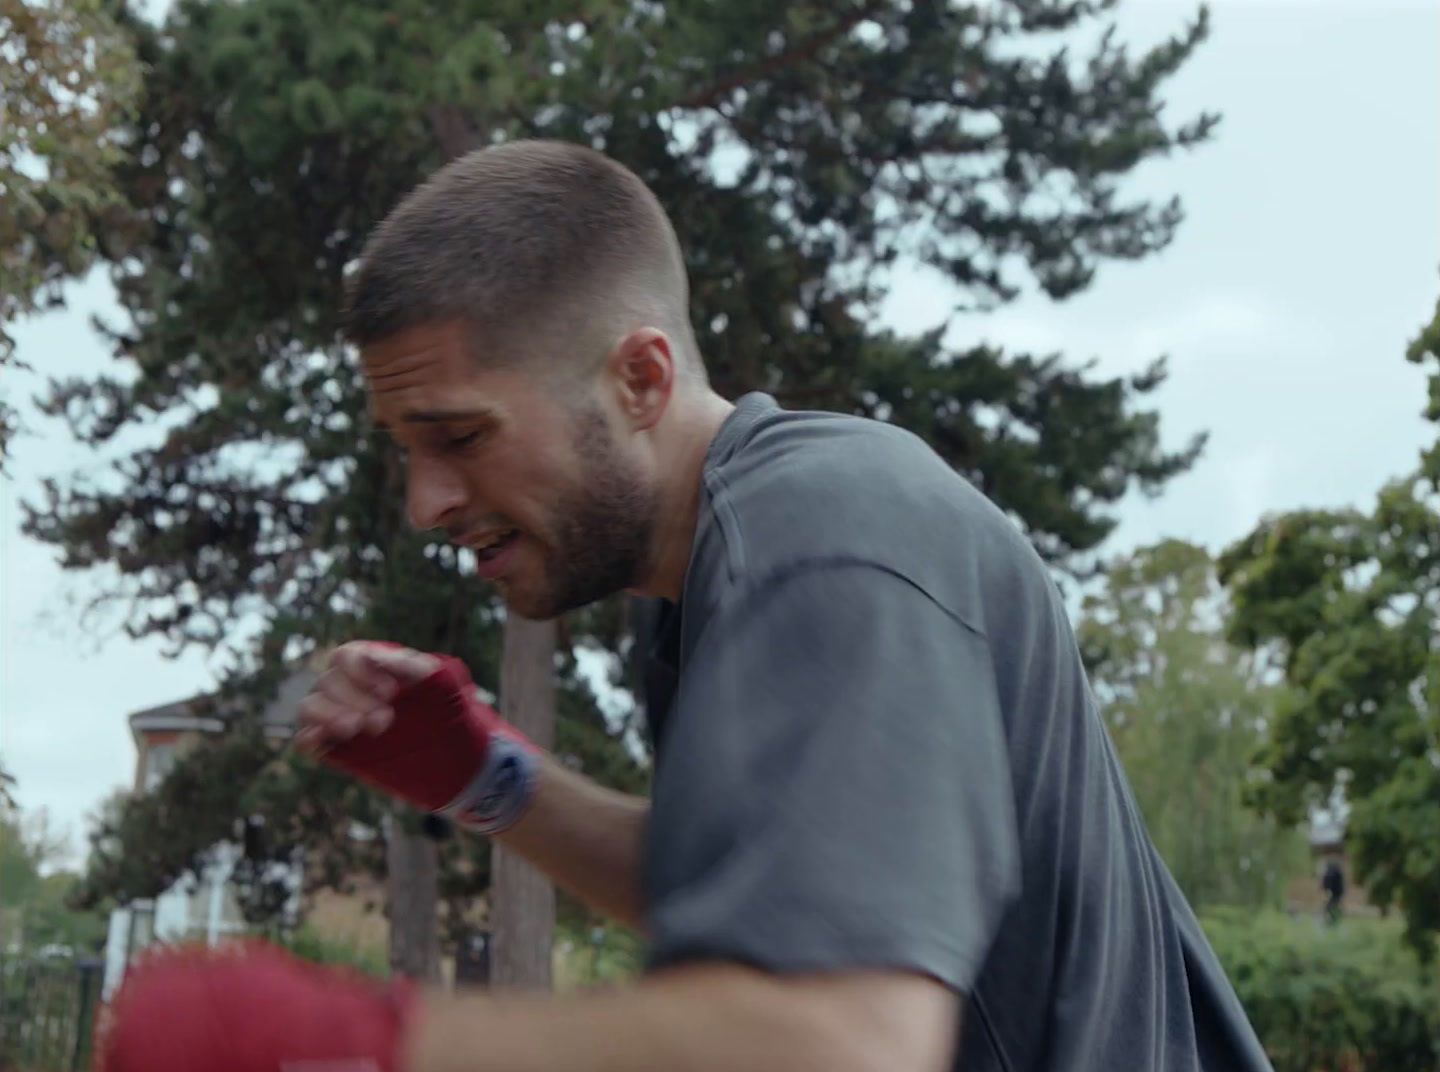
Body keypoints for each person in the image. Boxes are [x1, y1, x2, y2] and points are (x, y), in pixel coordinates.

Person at [96, 140, 1274, 1072]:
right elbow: (770, 896)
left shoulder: (828, 537)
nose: (426, 501)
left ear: (641, 378)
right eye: (407, 449)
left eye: (458, 436)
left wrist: (364, 1042)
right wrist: (488, 778)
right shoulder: (702, 579)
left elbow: (842, 1037)